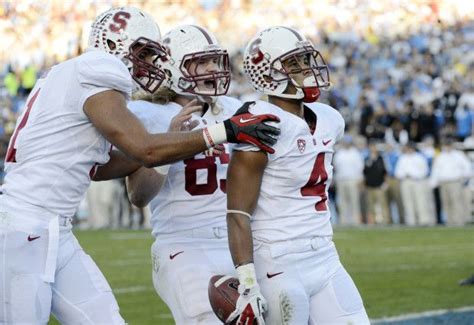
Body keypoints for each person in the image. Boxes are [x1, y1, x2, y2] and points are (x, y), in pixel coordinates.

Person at [0, 7, 279, 324]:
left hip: (53, 228)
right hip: (24, 224)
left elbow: (103, 167)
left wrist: (171, 144)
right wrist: (224, 131)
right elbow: (144, 149)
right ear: (115, 45)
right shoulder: (100, 67)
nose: (150, 63)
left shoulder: (74, 74)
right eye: (143, 52)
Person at [225, 26, 369, 324]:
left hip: (324, 254)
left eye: (305, 60)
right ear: (267, 75)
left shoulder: (330, 119)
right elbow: (238, 211)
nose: (305, 69)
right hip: (278, 261)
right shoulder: (261, 123)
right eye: (294, 64)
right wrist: (247, 279)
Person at [126, 25, 239, 324]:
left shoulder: (234, 109)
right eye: (202, 62)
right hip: (183, 245)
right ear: (174, 67)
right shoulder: (148, 114)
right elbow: (138, 195)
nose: (213, 69)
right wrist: (169, 142)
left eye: (215, 60)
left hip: (238, 242)